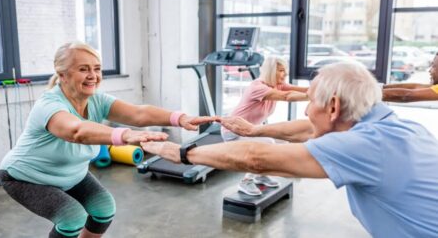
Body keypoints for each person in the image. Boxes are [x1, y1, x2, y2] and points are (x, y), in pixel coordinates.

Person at [142, 61, 438, 238]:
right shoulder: (396, 126)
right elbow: (308, 129)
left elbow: (256, 158)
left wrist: (182, 153)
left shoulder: (364, 145)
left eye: (311, 101)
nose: (307, 109)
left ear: (333, 106)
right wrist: (258, 130)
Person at [0, 42, 217, 238]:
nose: (93, 75)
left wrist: (181, 118)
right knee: (71, 218)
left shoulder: (96, 101)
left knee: (103, 208)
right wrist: (125, 135)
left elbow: (138, 114)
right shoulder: (49, 105)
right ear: (63, 74)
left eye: (97, 68)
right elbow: (77, 131)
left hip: (68, 174)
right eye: (83, 69)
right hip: (25, 176)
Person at [221, 56, 307, 196]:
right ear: (271, 71)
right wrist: (315, 97)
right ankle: (246, 180)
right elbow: (287, 97)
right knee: (268, 143)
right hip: (233, 131)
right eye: (281, 70)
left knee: (282, 140)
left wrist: (322, 90)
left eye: (285, 70)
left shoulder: (276, 84)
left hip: (250, 130)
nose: (285, 74)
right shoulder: (257, 87)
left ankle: (260, 175)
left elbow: (300, 90)